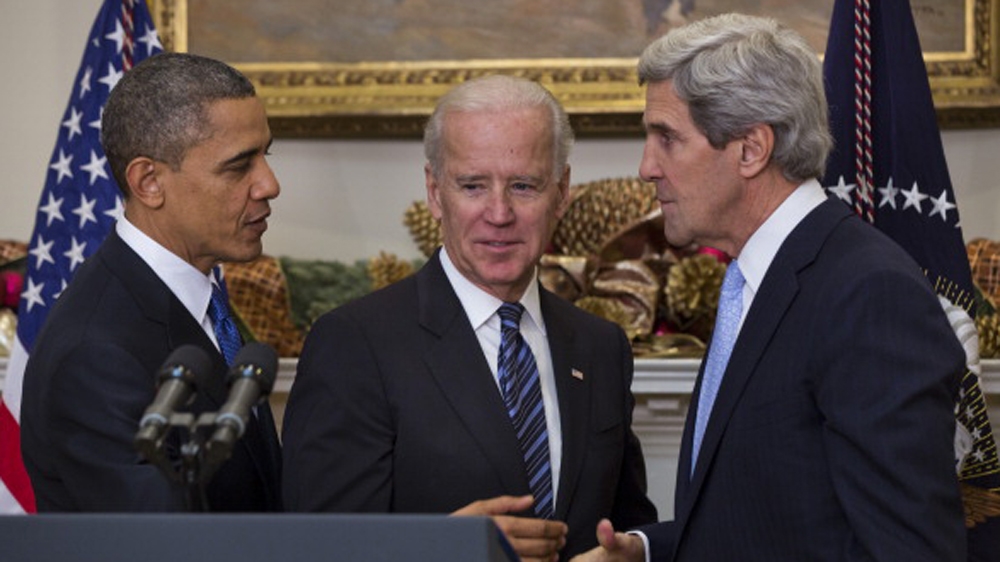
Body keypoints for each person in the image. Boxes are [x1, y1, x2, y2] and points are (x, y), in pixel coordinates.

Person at [573, 13, 966, 562]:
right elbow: (768, 513)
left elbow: (909, 549)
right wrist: (644, 549)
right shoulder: (755, 279)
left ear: (751, 149)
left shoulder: (868, 294)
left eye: (667, 138)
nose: (646, 168)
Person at [281, 74, 657, 560]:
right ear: (435, 192)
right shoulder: (355, 344)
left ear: (562, 191)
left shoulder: (600, 345)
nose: (499, 213)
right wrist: (447, 549)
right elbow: (316, 548)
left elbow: (627, 527)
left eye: (523, 185)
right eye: (473, 186)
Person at [20, 52, 282, 512]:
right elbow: (157, 540)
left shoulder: (199, 300)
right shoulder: (95, 353)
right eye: (239, 166)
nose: (269, 184)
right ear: (148, 182)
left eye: (266, 155)